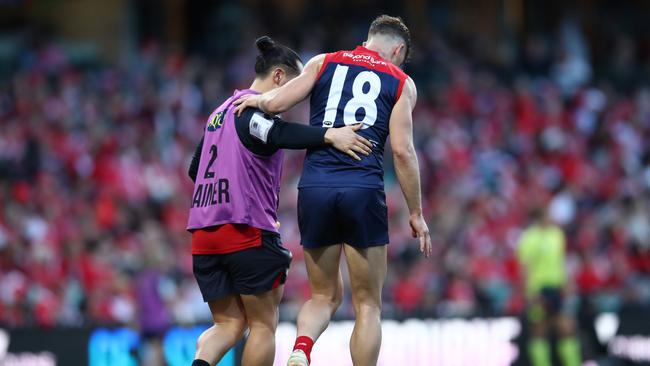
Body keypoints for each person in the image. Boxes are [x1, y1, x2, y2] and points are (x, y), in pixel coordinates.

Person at [234, 15, 432, 366]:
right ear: (398, 50)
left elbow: (278, 103)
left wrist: (257, 103)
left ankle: (301, 351)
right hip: (362, 188)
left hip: (315, 188)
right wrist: (415, 212)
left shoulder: (323, 62)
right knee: (368, 304)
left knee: (322, 294)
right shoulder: (401, 82)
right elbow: (403, 150)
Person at [187, 36, 372, 366]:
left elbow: (194, 169)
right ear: (278, 77)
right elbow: (279, 135)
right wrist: (330, 134)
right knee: (262, 325)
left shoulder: (218, 113)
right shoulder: (250, 110)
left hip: (204, 236)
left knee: (228, 324)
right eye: (298, 84)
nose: (298, 94)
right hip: (245, 230)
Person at [517, 207, 582, 366]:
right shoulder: (529, 238)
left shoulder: (557, 235)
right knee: (539, 331)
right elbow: (524, 267)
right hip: (538, 288)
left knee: (566, 329)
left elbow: (562, 261)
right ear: (540, 217)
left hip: (557, 287)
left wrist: (568, 282)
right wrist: (528, 292)